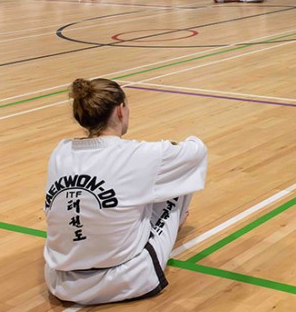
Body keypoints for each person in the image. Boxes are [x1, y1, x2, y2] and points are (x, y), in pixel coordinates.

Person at [43, 77, 207, 305]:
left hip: (61, 280)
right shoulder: (140, 154)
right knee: (177, 175)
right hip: (126, 278)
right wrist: (169, 147)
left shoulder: (60, 152)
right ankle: (172, 223)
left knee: (132, 189)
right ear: (120, 110)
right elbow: (196, 151)